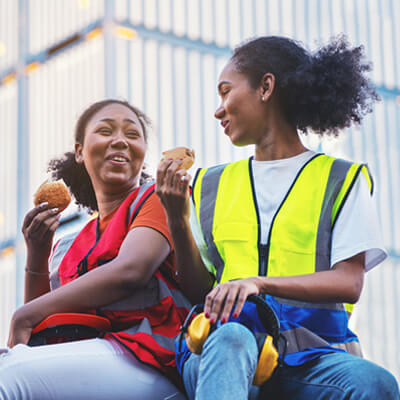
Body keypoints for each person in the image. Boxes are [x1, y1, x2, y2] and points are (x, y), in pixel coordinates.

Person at [156, 36, 400, 399]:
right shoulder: (208, 184)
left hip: (313, 355)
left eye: (226, 92)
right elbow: (200, 292)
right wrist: (177, 219)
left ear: (266, 87)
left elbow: (349, 283)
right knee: (234, 337)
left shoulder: (343, 179)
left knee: (376, 383)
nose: (218, 110)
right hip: (222, 350)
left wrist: (259, 283)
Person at [0, 99, 191, 399]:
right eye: (105, 131)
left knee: (8, 378)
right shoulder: (69, 244)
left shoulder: (157, 198)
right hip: (94, 363)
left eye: (132, 134)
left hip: (154, 360)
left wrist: (24, 314)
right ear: (80, 151)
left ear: (143, 154)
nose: (119, 140)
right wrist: (37, 255)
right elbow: (42, 332)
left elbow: (132, 270)